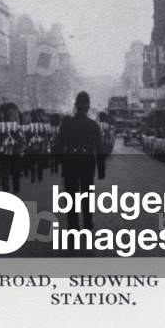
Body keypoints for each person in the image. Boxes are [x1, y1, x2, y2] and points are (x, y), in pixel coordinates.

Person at [56, 91, 106, 233]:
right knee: (87, 195)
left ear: (76, 105)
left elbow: (59, 145)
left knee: (71, 196)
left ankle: (73, 227)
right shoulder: (93, 125)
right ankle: (87, 224)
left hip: (70, 163)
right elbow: (99, 148)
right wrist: (101, 170)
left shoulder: (67, 123)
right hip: (87, 162)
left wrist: (62, 162)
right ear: (88, 107)